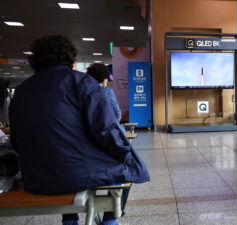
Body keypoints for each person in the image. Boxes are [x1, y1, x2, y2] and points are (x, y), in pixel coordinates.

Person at [9, 35, 150, 225]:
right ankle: (110, 220)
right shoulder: (82, 83)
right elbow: (106, 130)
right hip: (75, 174)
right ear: (72, 60)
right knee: (127, 167)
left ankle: (70, 220)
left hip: (35, 178)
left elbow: (17, 141)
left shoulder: (22, 90)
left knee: (68, 165)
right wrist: (127, 155)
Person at [86, 63, 125, 133]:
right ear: (104, 79)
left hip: (89, 131)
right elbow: (117, 113)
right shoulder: (107, 91)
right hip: (107, 130)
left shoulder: (85, 92)